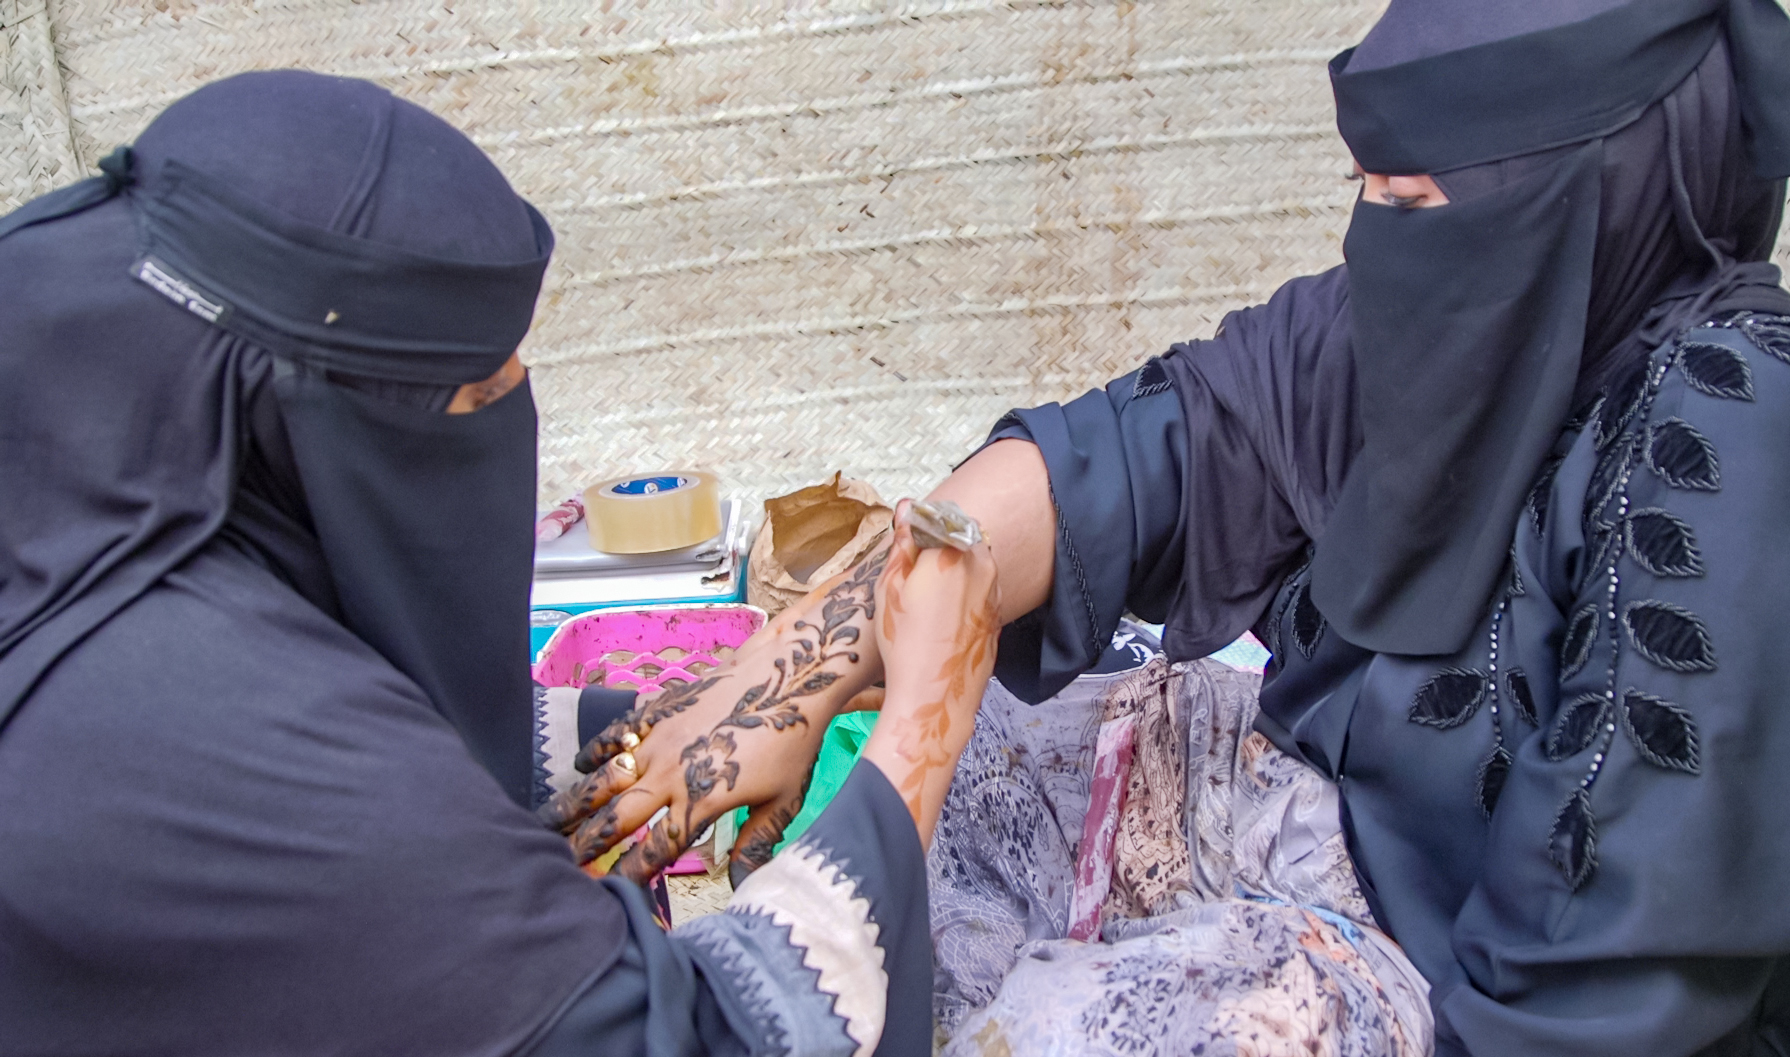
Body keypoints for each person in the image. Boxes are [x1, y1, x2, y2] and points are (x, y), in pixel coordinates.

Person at [554, 0, 1790, 1052]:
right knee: (964, 762)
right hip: (1303, 811)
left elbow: (1599, 976)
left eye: (1410, 200)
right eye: (1361, 190)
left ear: (1584, 197)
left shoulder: (1721, 438)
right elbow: (1126, 458)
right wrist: (778, 684)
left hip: (1448, 975)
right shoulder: (1416, 329)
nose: (1373, 239)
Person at [0, 69, 996, 1057]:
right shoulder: (244, 761)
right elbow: (693, 1039)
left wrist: (735, 706)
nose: (513, 427)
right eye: (476, 400)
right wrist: (919, 728)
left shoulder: (79, 487)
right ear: (308, 423)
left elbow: (406, 710)